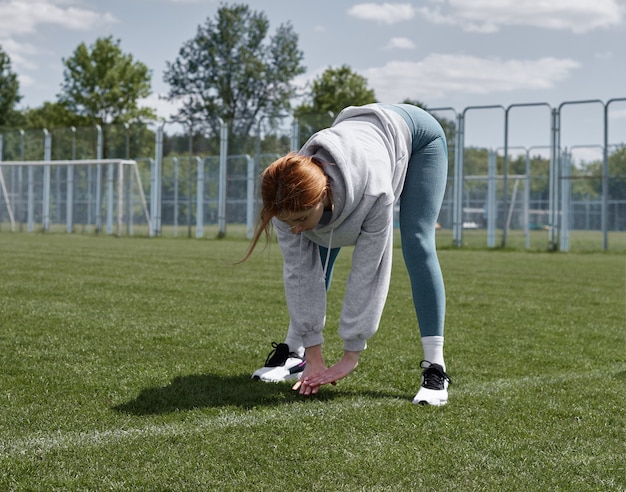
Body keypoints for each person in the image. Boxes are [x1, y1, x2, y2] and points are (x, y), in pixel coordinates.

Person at [242, 103, 451, 406]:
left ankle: (435, 367)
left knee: (418, 241)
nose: (295, 229)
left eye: (300, 219)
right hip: (358, 136)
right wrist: (314, 355)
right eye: (289, 222)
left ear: (323, 195)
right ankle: (295, 352)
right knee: (320, 246)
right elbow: (301, 273)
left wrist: (350, 354)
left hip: (416, 137)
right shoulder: (283, 199)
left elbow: (369, 272)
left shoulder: (373, 193)